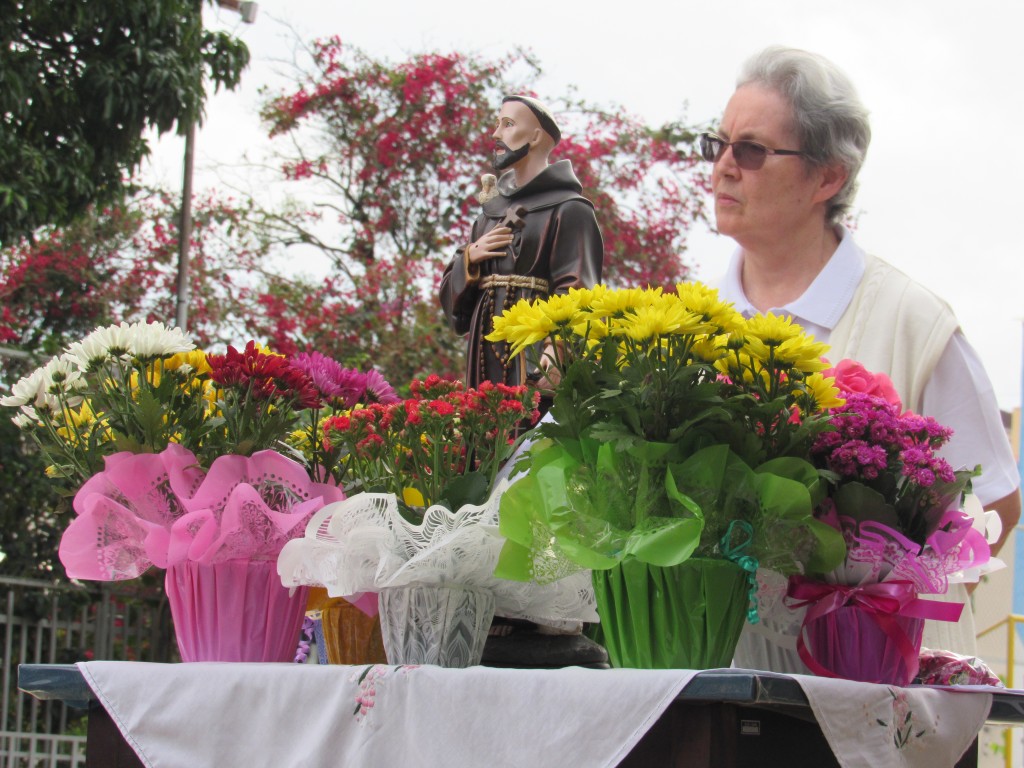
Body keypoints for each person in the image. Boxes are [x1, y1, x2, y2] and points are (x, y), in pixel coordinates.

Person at [701, 46, 1021, 671]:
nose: (723, 167)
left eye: (752, 150)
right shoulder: (689, 328)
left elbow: (997, 506)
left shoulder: (912, 320)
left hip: (877, 701)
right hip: (721, 688)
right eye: (717, 143)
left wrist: (885, 598)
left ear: (828, 178)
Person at [439, 95, 603, 393]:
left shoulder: (570, 208)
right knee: (488, 431)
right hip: (484, 345)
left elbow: (578, 290)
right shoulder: (489, 213)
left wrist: (557, 350)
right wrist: (469, 259)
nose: (496, 134)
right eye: (497, 123)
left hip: (534, 349)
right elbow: (455, 308)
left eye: (508, 124)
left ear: (537, 136)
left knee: (531, 432)